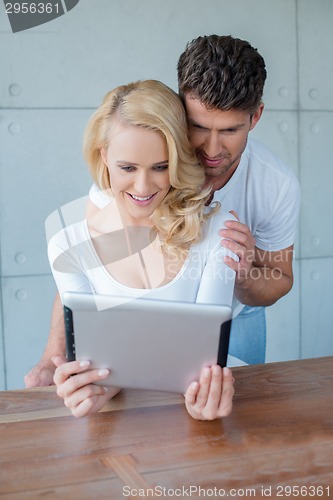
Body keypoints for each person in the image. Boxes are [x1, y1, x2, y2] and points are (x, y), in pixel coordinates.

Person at [25, 34, 300, 388]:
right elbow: (87, 259)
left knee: (233, 417)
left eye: (230, 130)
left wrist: (244, 272)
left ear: (256, 116)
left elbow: (280, 277)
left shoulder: (275, 184)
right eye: (198, 126)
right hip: (150, 315)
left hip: (237, 313)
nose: (212, 149)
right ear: (179, 109)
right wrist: (52, 355)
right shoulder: (137, 158)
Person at [48, 79, 237, 420]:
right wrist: (90, 386)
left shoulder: (217, 233)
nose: (143, 186)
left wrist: (204, 397)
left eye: (161, 167)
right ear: (104, 155)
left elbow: (205, 364)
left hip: (187, 429)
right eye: (128, 168)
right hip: (118, 425)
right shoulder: (67, 245)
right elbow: (94, 364)